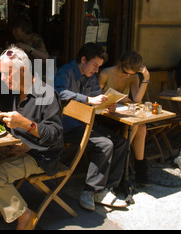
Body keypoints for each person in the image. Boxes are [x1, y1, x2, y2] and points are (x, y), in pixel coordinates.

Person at [0, 46, 64, 230]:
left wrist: (25, 123)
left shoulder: (47, 94)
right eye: (1, 74)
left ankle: (24, 215)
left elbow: (55, 135)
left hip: (40, 156)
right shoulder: (17, 91)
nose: (2, 79)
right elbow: (13, 120)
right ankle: (1, 205)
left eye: (7, 74)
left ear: (23, 71)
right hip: (17, 148)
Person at [54, 42, 128, 211]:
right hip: (66, 125)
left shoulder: (91, 77)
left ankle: (106, 189)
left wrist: (106, 103)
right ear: (83, 59)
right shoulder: (66, 71)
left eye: (99, 67)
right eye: (95, 65)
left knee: (120, 142)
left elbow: (97, 96)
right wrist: (87, 100)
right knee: (104, 144)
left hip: (85, 123)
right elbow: (59, 92)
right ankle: (90, 191)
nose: (96, 70)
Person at [98, 51, 151, 185]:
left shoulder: (133, 77)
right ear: (120, 64)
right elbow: (96, 96)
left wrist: (145, 78)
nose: (127, 75)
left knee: (141, 127)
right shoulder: (106, 73)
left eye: (131, 74)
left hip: (122, 115)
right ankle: (124, 166)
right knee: (136, 125)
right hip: (105, 115)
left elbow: (137, 99)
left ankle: (135, 168)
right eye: (125, 71)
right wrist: (118, 98)